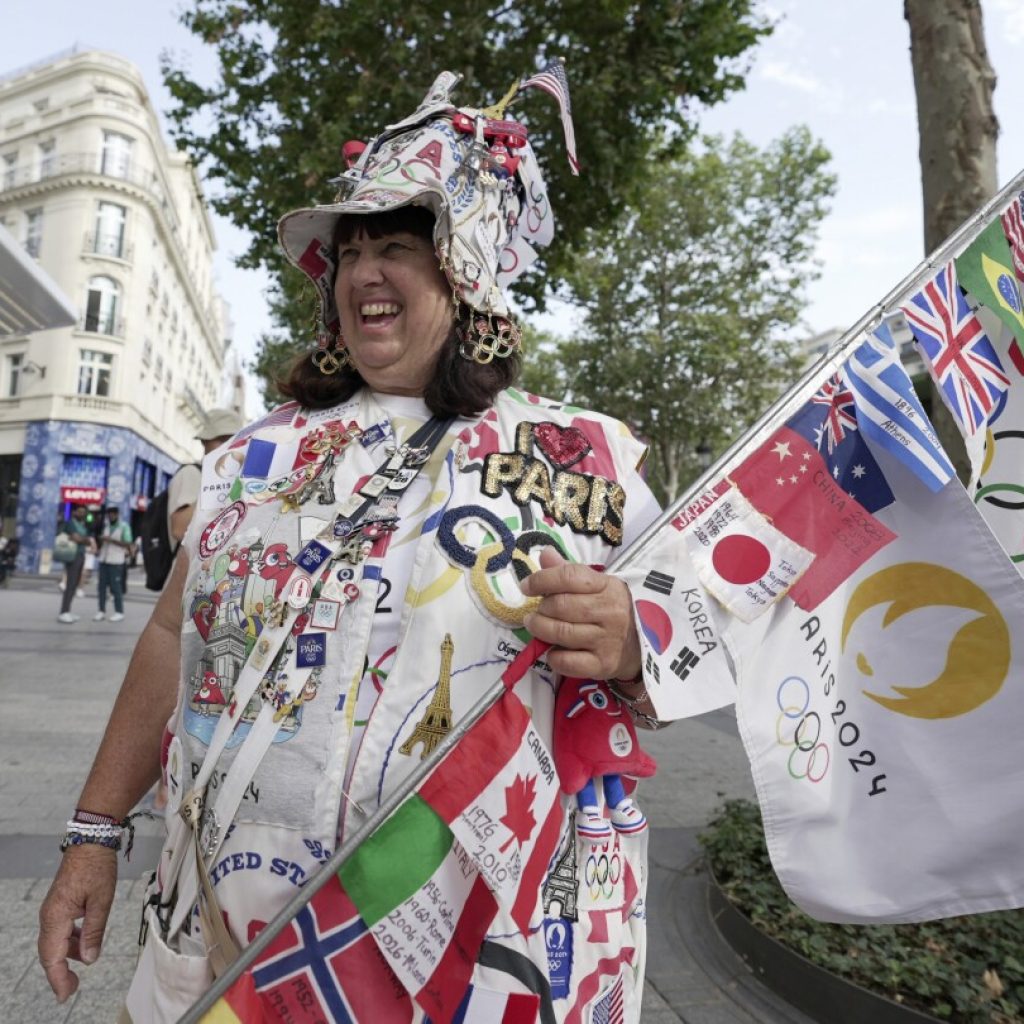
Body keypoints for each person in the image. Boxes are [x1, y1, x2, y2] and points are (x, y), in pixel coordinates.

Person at [38, 71, 670, 1023]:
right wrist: (93, 831)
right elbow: (172, 637)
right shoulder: (250, 458)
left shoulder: (585, 457)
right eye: (352, 252)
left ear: (469, 273)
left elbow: (696, 647)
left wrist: (634, 642)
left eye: (400, 248)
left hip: (473, 950)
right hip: (238, 935)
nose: (366, 272)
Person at [167, 408, 245, 545]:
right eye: (222, 440)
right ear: (204, 441)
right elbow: (179, 530)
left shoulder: (235, 476)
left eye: (235, 441)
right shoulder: (191, 473)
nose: (229, 446)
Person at [93, 506, 133, 623]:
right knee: (101, 587)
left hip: (116, 562)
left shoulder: (124, 527)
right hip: (104, 560)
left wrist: (110, 540)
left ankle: (119, 612)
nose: (110, 517)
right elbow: (101, 541)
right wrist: (100, 541)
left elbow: (127, 543)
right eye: (108, 515)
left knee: (116, 588)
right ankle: (101, 611)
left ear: (117, 515)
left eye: (112, 515)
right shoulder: (106, 526)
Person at [56, 506, 94, 624]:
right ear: (74, 512)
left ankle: (68, 610)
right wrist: (84, 540)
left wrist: (83, 540)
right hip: (73, 556)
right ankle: (63, 612)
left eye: (84, 512)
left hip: (81, 555)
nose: (82, 514)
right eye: (80, 512)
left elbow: (85, 540)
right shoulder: (71, 524)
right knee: (70, 583)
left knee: (75, 584)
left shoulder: (82, 525)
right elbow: (79, 539)